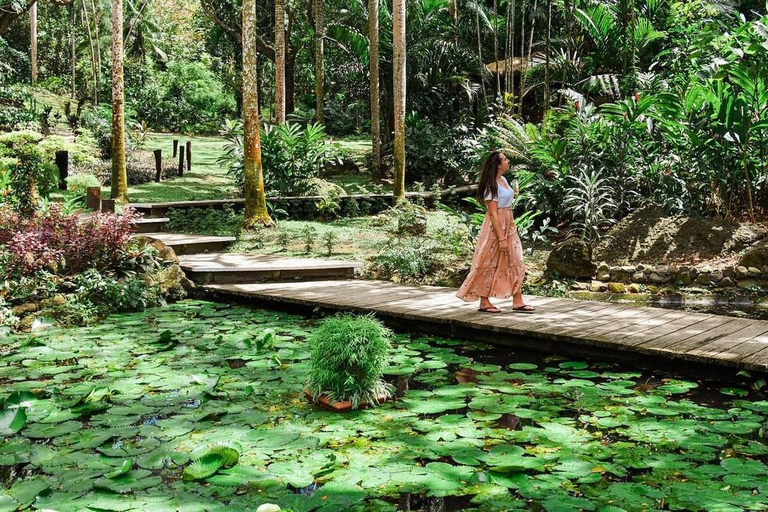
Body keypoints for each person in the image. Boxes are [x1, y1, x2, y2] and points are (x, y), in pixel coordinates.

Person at [456, 150, 535, 313]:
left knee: (516, 259)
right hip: (495, 227)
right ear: (498, 165)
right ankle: (484, 301)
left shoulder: (504, 180)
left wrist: (514, 193)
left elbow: (505, 201)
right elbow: (493, 213)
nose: (508, 161)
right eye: (505, 160)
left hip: (509, 224)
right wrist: (501, 238)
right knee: (488, 261)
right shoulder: (490, 185)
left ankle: (518, 299)